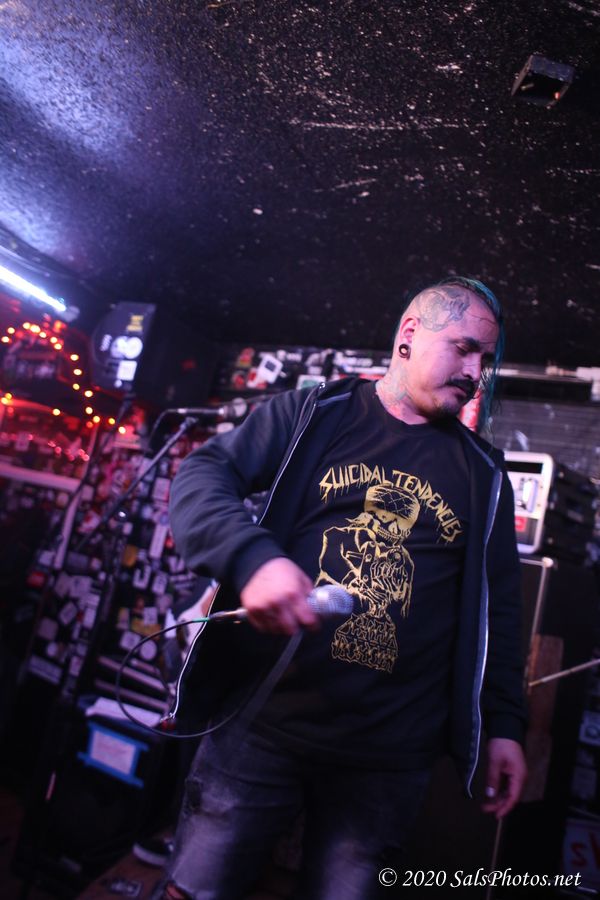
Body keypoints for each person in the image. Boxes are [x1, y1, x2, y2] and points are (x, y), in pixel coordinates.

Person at [157, 276, 528, 900]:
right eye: (464, 348)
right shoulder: (313, 415)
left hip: (389, 758)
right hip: (261, 727)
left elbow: (502, 612)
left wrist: (506, 725)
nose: (475, 373)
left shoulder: (484, 474)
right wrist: (252, 561)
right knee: (196, 888)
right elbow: (204, 473)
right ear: (409, 335)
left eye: (484, 360)